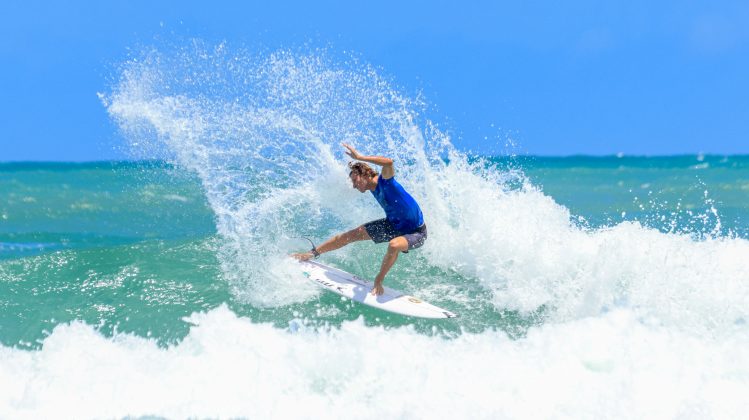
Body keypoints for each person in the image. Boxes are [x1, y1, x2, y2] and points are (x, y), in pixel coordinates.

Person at [292, 143, 427, 296]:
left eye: (355, 181)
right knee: (350, 235)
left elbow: (389, 162)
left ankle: (379, 281)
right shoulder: (372, 189)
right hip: (393, 225)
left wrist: (360, 158)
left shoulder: (385, 182)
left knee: (394, 245)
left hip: (416, 232)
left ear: (365, 174)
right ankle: (311, 253)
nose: (354, 186)